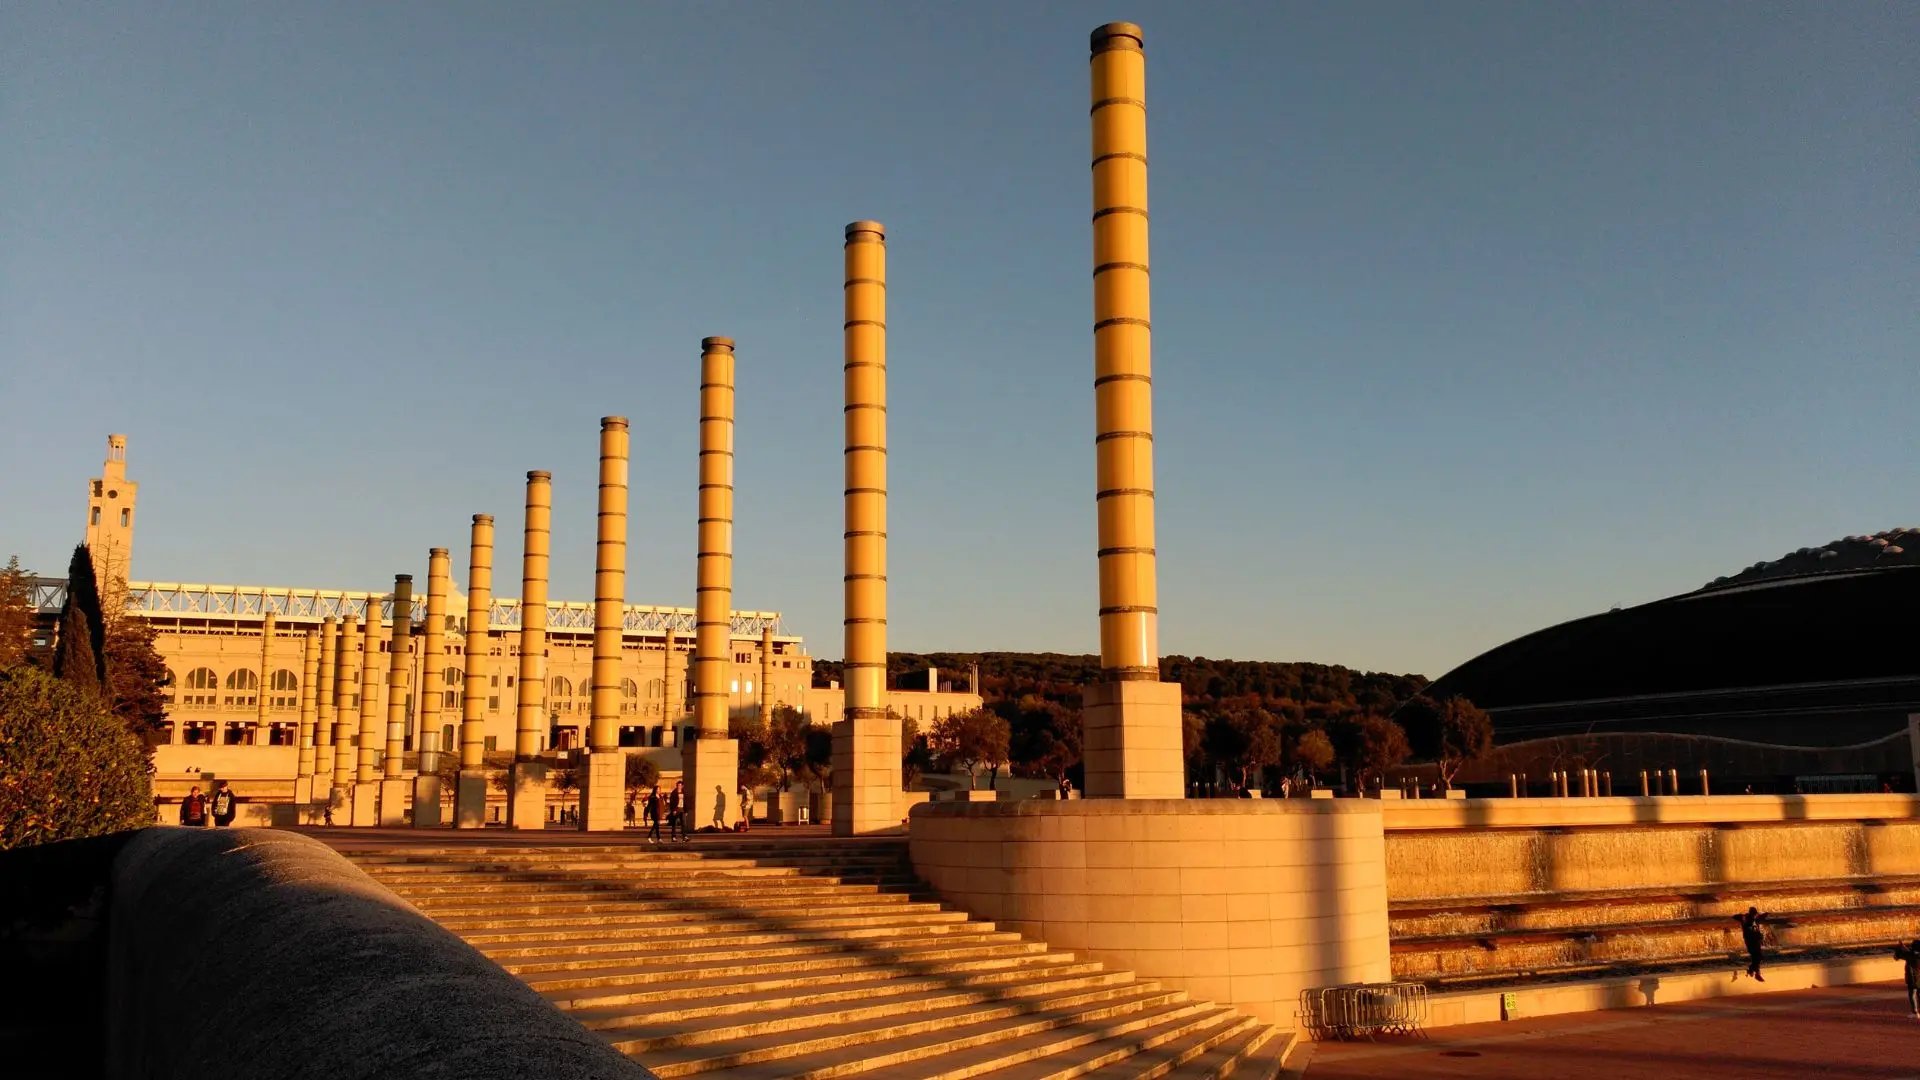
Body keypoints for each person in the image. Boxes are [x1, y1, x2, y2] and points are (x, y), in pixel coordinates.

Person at [1737, 907, 1771, 981]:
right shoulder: (1746, 920)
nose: (1755, 915)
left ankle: (1755, 972)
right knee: (1757, 956)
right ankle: (1753, 971)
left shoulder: (1756, 919)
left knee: (1756, 957)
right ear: (1751, 914)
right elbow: (1735, 917)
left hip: (1756, 940)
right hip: (1750, 941)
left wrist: (1767, 913)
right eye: (1754, 914)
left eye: (1755, 914)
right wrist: (1743, 917)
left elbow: (1762, 916)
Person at [1895, 936, 1920, 1019]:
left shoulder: (1910, 955)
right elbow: (1907, 952)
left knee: (1912, 994)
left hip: (1912, 978)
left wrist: (1900, 946)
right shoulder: (1913, 955)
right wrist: (1903, 946)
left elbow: (1898, 956)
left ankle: (1915, 1012)